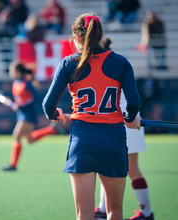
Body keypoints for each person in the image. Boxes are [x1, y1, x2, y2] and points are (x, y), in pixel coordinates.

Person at [42, 14, 141, 220]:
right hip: (113, 138)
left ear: (76, 37)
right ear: (100, 34)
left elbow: (48, 105)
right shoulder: (121, 62)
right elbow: (133, 103)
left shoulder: (68, 63)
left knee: (84, 213)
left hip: (82, 139)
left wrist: (54, 115)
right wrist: (131, 117)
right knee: (115, 211)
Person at [94, 37, 154, 220]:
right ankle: (103, 209)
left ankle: (146, 212)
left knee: (130, 169)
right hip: (122, 121)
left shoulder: (106, 66)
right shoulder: (118, 62)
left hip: (125, 122)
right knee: (108, 167)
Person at [2, 61, 61, 171]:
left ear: (18, 71)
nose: (10, 72)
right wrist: (11, 102)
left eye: (12, 70)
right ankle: (51, 130)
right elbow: (20, 100)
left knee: (16, 136)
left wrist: (20, 106)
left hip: (28, 114)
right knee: (30, 139)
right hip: (21, 114)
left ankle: (13, 165)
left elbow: (35, 98)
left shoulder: (26, 83)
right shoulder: (16, 83)